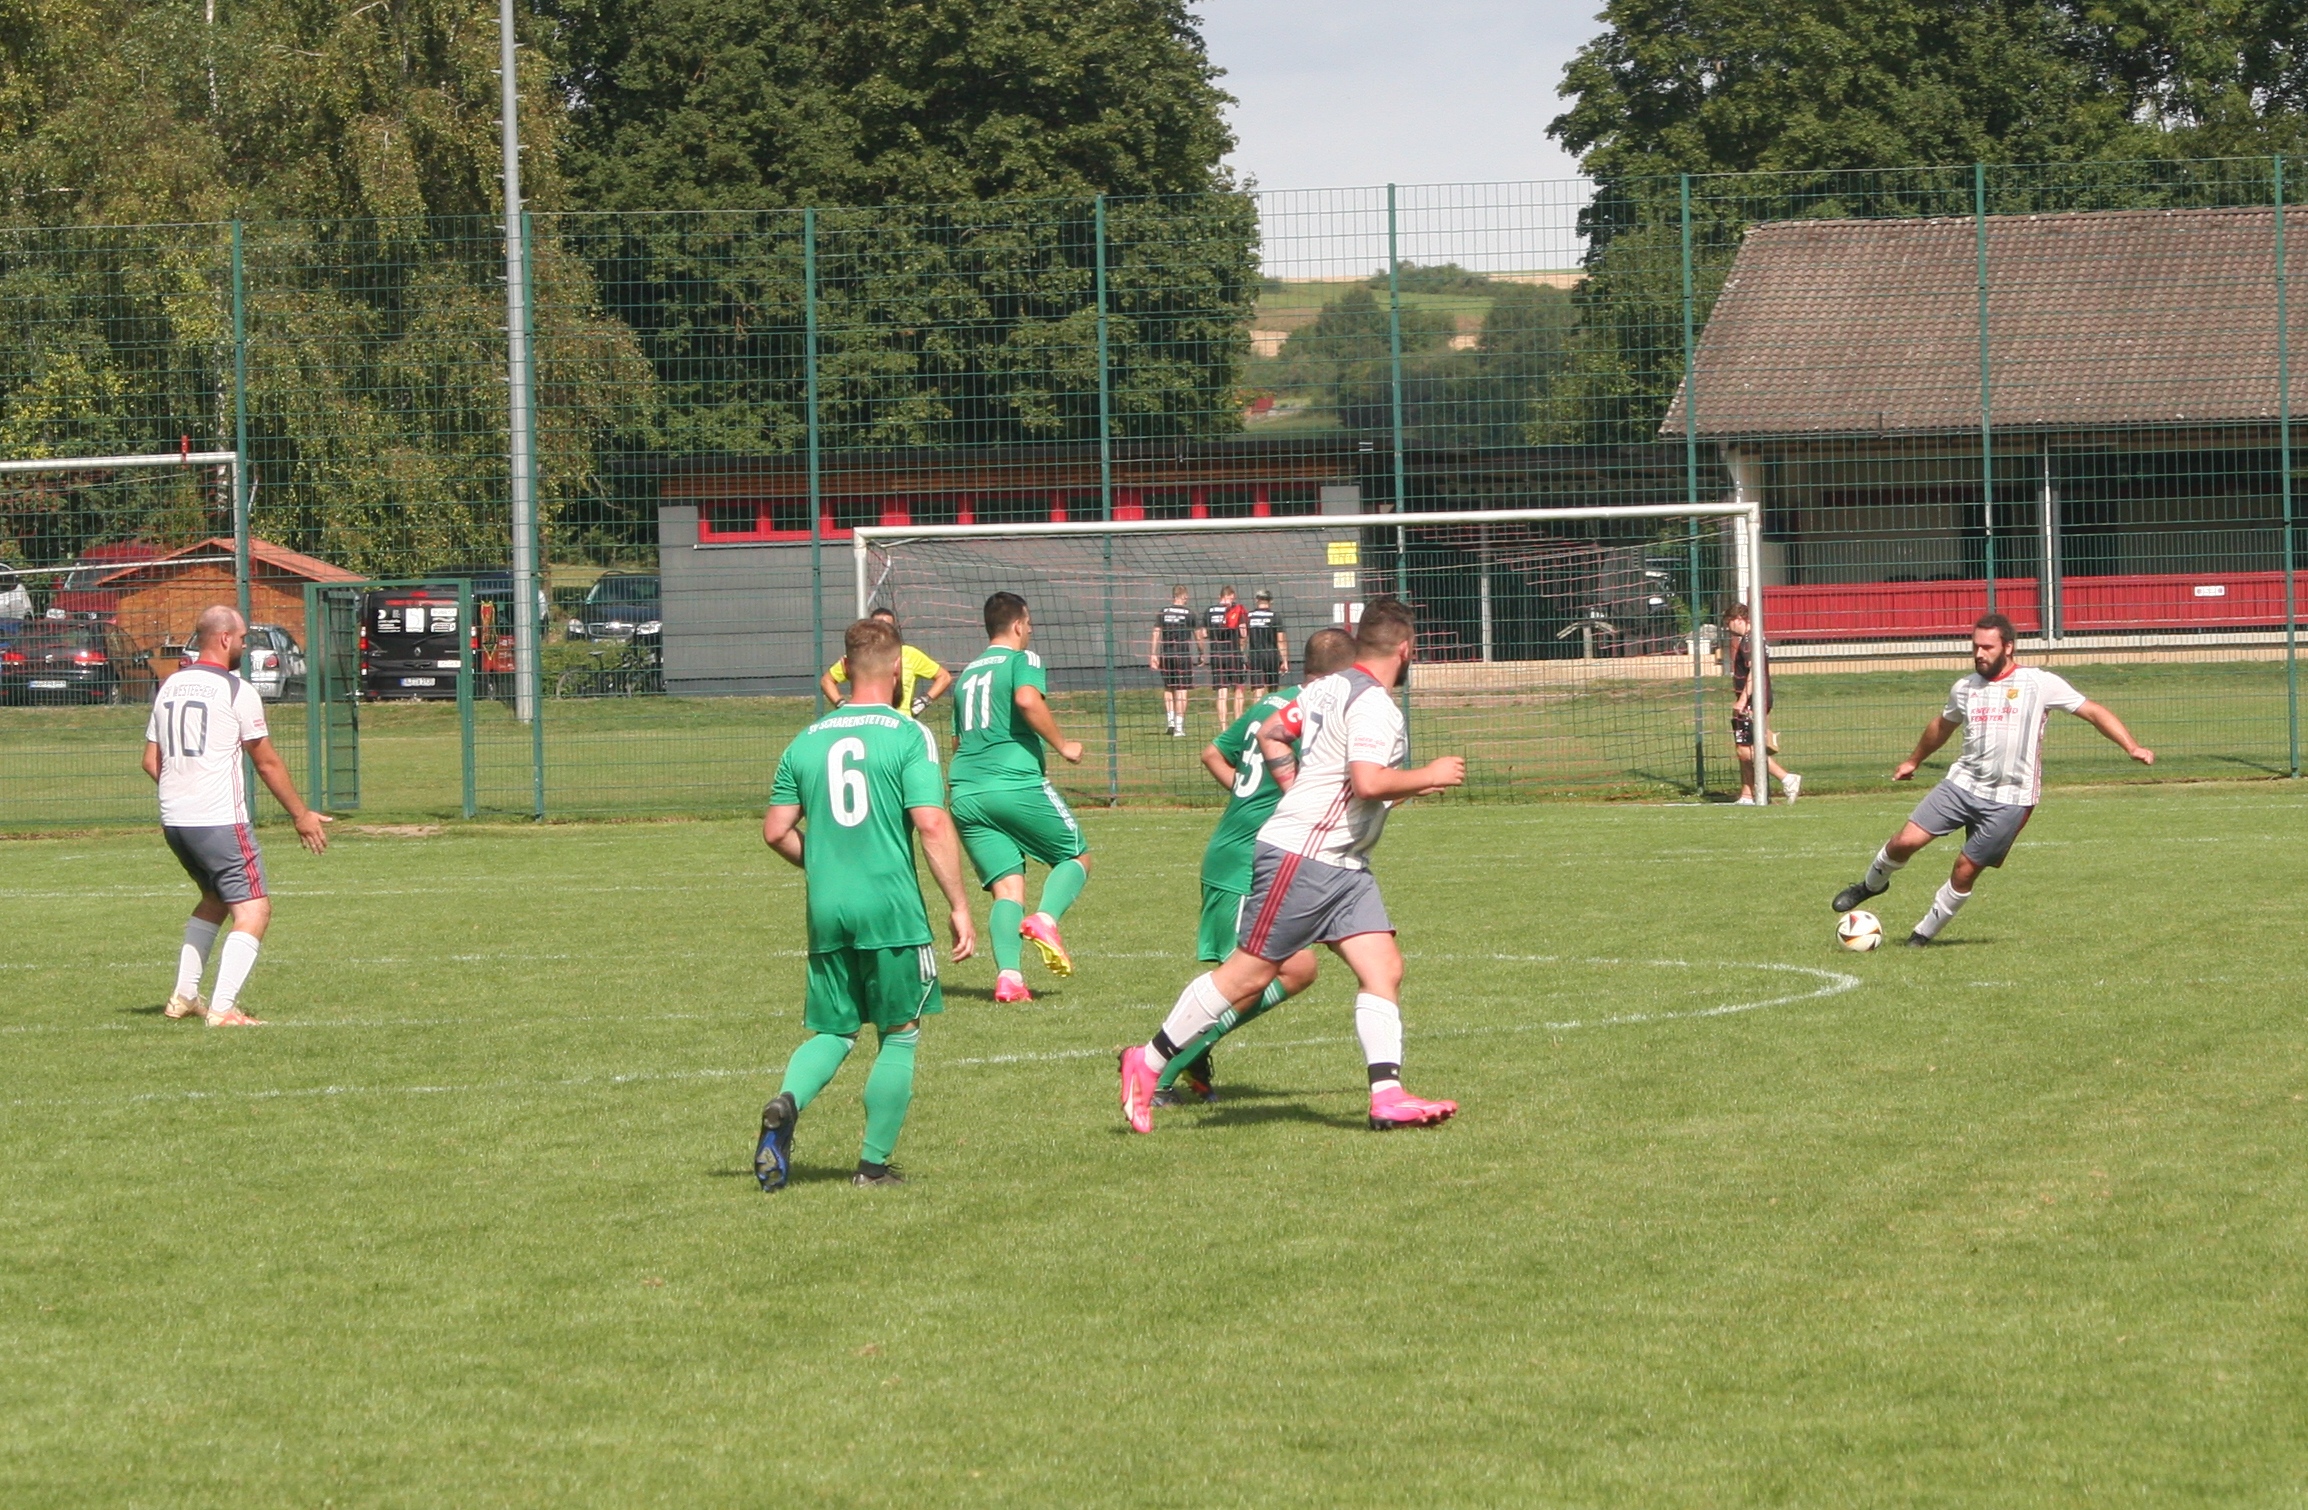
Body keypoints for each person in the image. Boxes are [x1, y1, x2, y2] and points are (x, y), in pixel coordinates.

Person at [1119, 598, 1466, 1134]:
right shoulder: (1375, 705)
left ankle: (1387, 1096)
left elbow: (1271, 733)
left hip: (1345, 864)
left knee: (1383, 969)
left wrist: (1295, 788)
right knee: (1248, 974)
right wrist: (1430, 773)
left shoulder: (1324, 689)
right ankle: (1147, 1061)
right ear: (1406, 649)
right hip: (1305, 858)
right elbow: (1369, 782)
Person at [755, 617, 977, 1191]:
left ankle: (787, 1101)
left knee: (836, 1031)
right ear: (898, 668)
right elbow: (931, 823)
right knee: (899, 1032)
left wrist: (824, 863)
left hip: (827, 908)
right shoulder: (908, 734)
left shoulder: (806, 739)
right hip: (890, 907)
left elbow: (776, 831)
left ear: (847, 670)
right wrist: (958, 904)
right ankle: (872, 1169)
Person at [1829, 612, 2154, 946]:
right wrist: (1913, 760)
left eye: (1987, 647)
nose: (1979, 654)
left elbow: (2094, 712)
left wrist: (2131, 746)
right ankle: (1870, 885)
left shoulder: (2039, 683)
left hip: (2010, 800)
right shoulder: (1965, 688)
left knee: (1964, 870)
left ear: (2008, 647)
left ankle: (1922, 935)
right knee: (1904, 842)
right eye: (1975, 647)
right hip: (1962, 785)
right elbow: (1942, 726)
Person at [1149, 625, 1358, 1108]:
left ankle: (1191, 1050)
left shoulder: (1272, 704)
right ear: (1341, 677)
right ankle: (1159, 1070)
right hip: (1246, 861)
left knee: (1294, 971)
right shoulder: (1316, 716)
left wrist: (1250, 801)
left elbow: (1211, 753)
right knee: (1282, 970)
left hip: (1246, 853)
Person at [142, 605, 332, 1027]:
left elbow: (151, 761)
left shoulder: (170, 686)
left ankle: (184, 997)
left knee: (214, 899)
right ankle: (223, 1009)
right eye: (243, 638)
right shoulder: (236, 691)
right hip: (218, 820)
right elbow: (266, 762)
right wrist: (301, 814)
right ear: (225, 638)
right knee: (253, 911)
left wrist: (185, 792)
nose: (245, 646)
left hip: (176, 820)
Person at [948, 591, 1090, 1003]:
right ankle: (1045, 919)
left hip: (965, 792)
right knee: (1076, 856)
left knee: (1007, 887)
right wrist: (1063, 745)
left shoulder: (967, 674)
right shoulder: (1021, 659)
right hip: (1012, 782)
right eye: (1028, 624)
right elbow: (1027, 699)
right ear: (1017, 625)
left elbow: (958, 739)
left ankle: (1009, 978)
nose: (1030, 631)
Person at [1725, 603, 1799, 804]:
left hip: (1752, 700)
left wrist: (1742, 700)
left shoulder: (1750, 641)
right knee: (1744, 746)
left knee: (1745, 749)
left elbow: (1754, 672)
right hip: (1758, 699)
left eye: (1728, 623)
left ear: (1738, 619)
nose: (1728, 628)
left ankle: (1787, 778)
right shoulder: (1755, 638)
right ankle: (1747, 795)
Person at [820, 607, 951, 718]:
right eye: (877, 625)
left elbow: (943, 677)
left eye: (887, 626)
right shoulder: (858, 657)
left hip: (900, 722)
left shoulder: (909, 654)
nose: (882, 630)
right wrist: (841, 704)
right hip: (867, 720)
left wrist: (924, 701)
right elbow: (827, 680)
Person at [1150, 585, 1197, 737]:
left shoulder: (1163, 612)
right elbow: (1198, 635)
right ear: (1184, 596)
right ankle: (1179, 727)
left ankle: (1170, 721)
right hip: (1182, 655)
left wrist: (1153, 654)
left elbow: (1156, 632)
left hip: (1166, 654)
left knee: (1168, 688)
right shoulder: (1189, 613)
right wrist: (1202, 652)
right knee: (1182, 689)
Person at [1200, 584, 1249, 727]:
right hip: (1234, 654)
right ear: (1232, 596)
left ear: (1220, 596)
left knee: (1222, 692)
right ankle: (1238, 723)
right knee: (1238, 688)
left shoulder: (1209, 611)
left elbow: (1203, 633)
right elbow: (1243, 633)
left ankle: (1223, 726)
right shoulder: (1236, 610)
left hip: (1217, 655)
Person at [1244, 589, 1288, 702]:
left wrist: (1243, 657)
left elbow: (1243, 638)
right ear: (1271, 601)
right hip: (1271, 655)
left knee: (1258, 689)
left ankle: (1257, 712)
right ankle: (1271, 710)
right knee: (1272, 689)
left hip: (1255, 656)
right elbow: (1280, 640)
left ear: (1256, 600)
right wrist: (1284, 660)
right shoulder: (1275, 616)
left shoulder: (1249, 616)